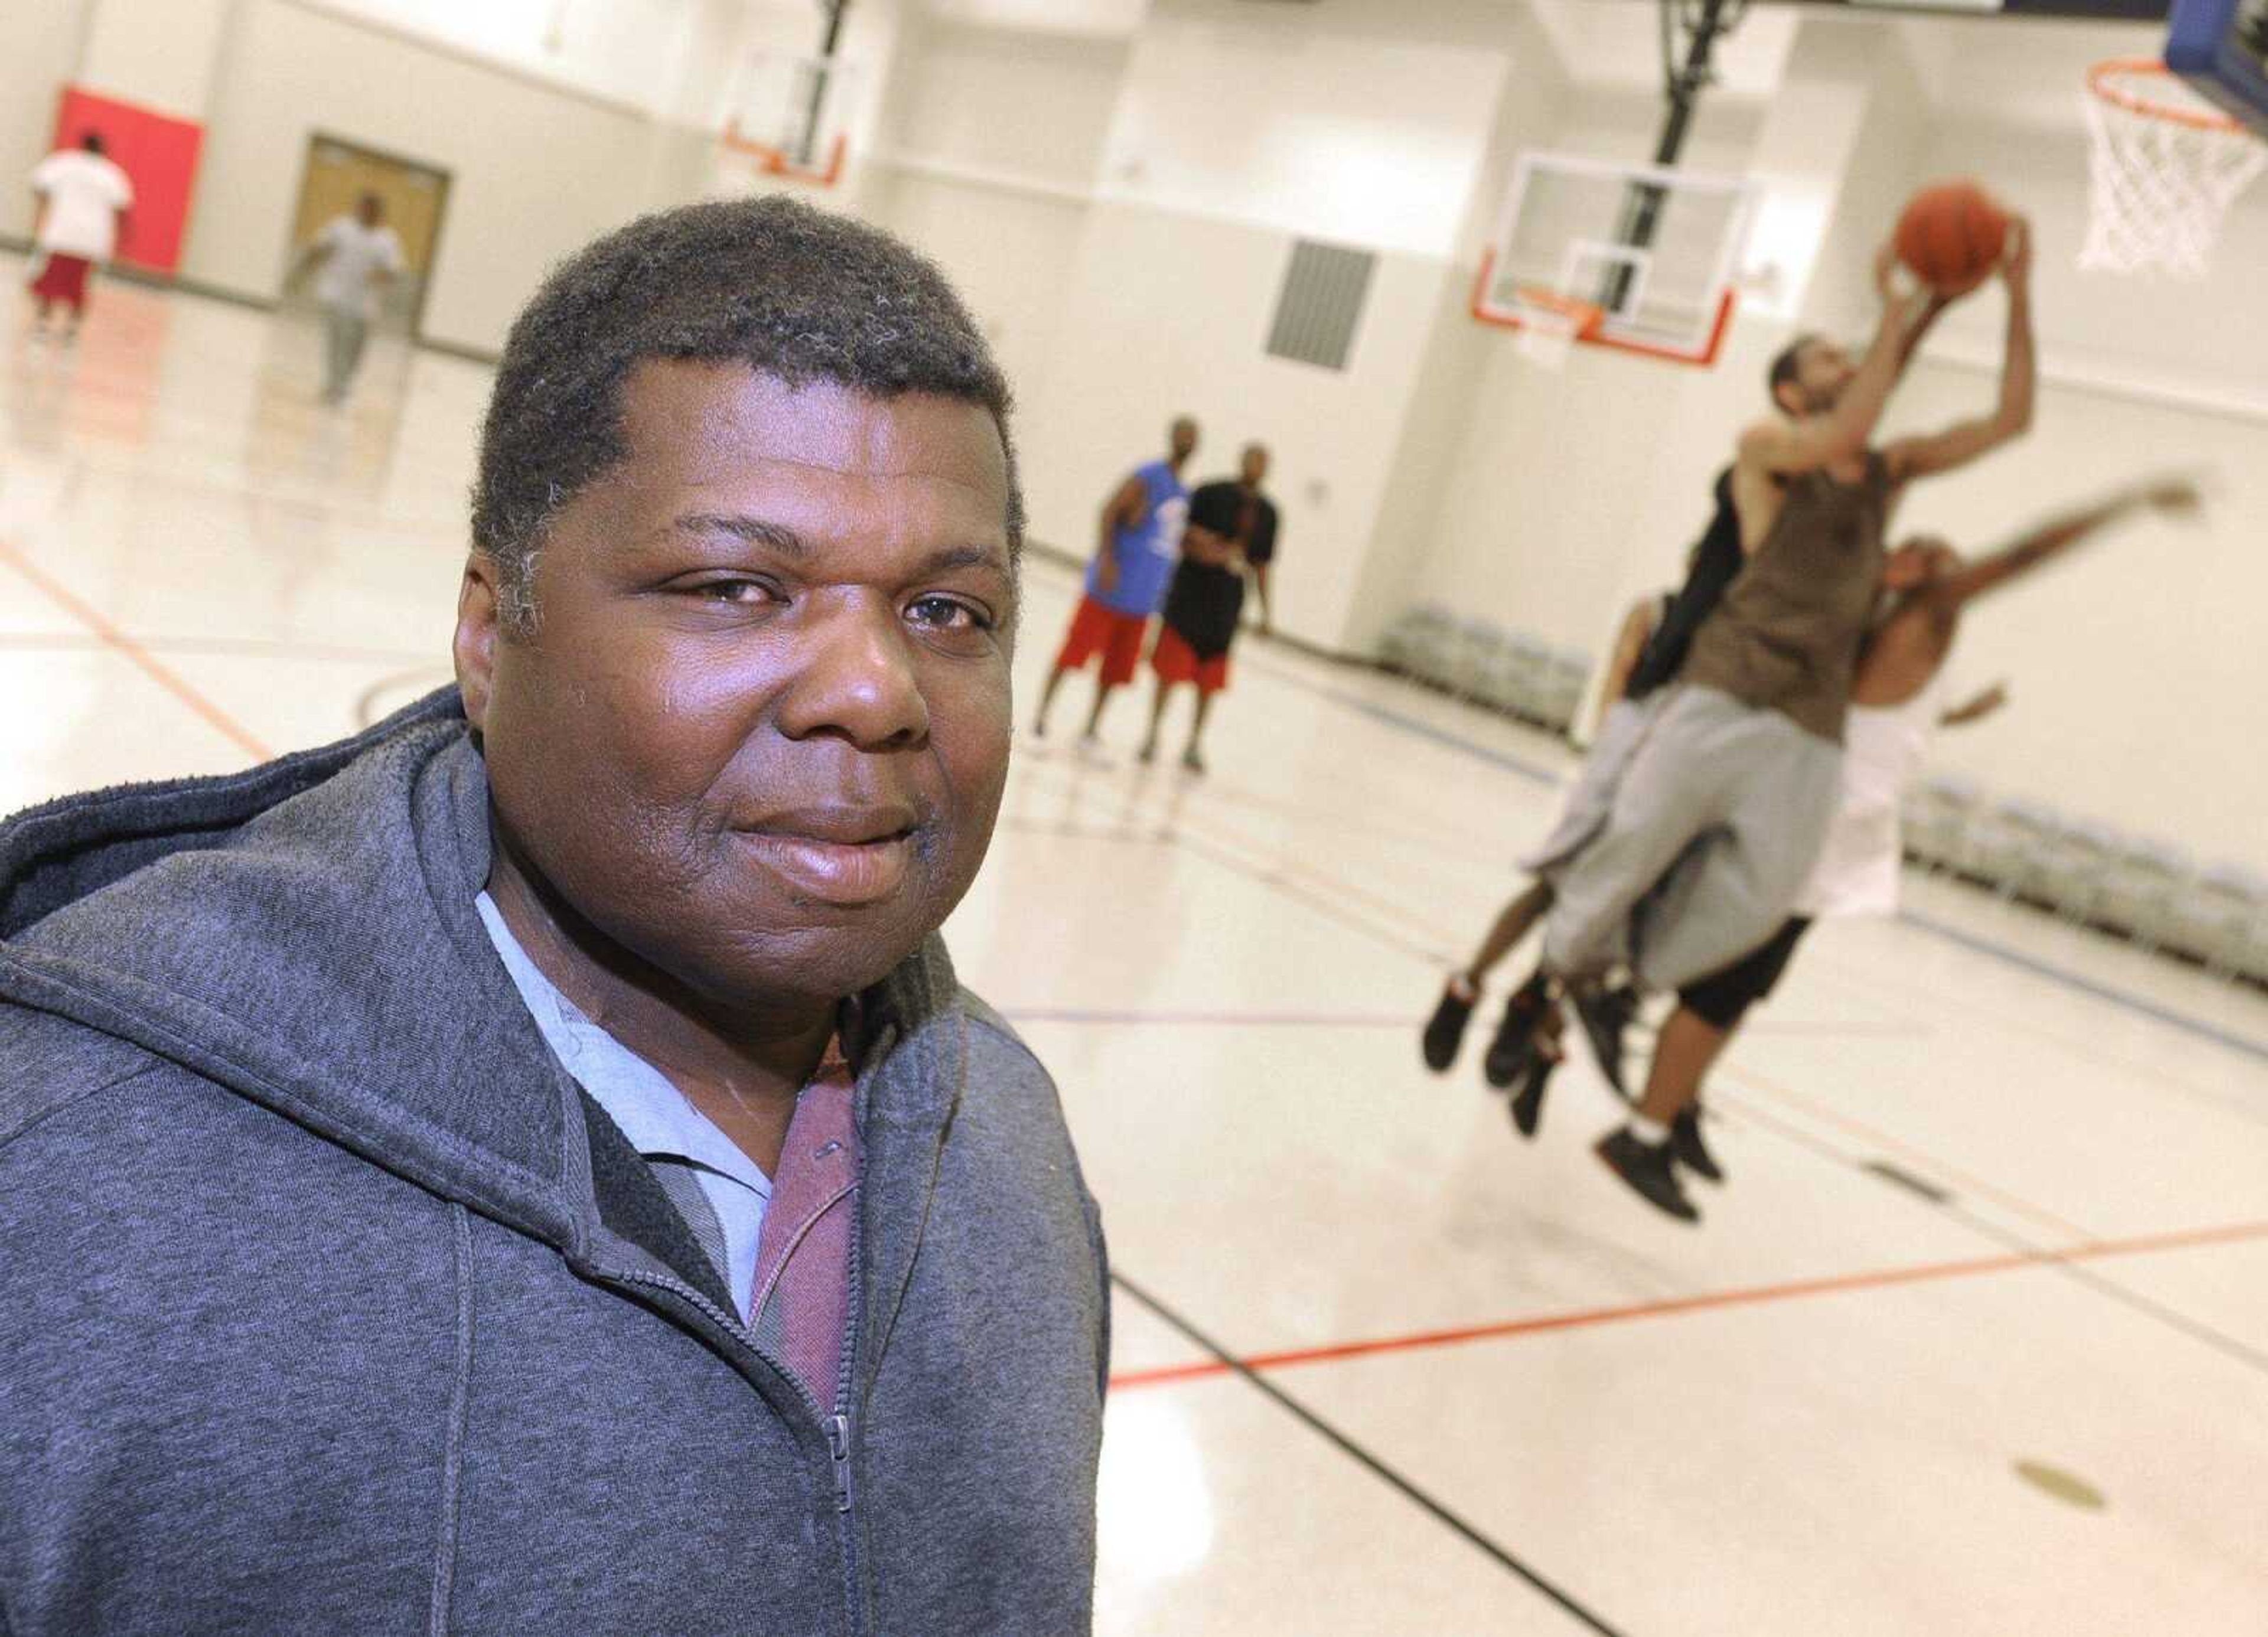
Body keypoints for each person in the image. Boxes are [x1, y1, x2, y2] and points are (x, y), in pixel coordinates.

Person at [0, 197, 1108, 1634]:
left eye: (947, 613)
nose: (875, 690)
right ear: (487, 630)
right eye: (737, 588)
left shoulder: (1009, 1146)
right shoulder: (69, 1184)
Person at [1474, 221, 2038, 1122]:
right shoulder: (1766, 445)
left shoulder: (1886, 471)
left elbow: (2011, 421)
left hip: (1807, 729)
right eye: (1825, 356)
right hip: (1718, 691)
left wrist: (2014, 291)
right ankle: (1523, 996)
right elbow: (1849, 420)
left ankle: (1615, 995)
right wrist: (1905, 304)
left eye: (1850, 352)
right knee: (1607, 868)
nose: (1845, 360)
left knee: (1757, 909)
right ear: (1788, 388)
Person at [1595, 473, 2202, 1221]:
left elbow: (1909, 726)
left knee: (1744, 991)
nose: (1931, 548)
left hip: (1824, 843)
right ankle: (1641, 1127)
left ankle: (1673, 1098)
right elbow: (2023, 554)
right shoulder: (1905, 618)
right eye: (1915, 547)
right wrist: (2127, 500)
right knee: (1719, 993)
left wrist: (1971, 707)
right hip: (1801, 834)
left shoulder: (1895, 639)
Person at [1032, 415, 1197, 747]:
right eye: (1183, 435)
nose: (1187, 441)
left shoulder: (1184, 492)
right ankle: (1041, 714)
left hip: (1142, 598)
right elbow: (1109, 511)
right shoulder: (1148, 476)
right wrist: (1106, 559)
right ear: (1172, 437)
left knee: (1117, 669)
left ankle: (1091, 727)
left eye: (1193, 437)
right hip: (1111, 588)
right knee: (1074, 653)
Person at [1138, 441, 1279, 773]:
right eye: (1251, 460)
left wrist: (1266, 613)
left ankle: (1193, 741)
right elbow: (1183, 535)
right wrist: (1211, 549)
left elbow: (1261, 564)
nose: (1255, 467)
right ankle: (1152, 733)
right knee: (1170, 672)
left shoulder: (1269, 514)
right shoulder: (1210, 493)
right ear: (1241, 461)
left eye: (1262, 462)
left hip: (1226, 605)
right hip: (1191, 596)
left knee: (1209, 679)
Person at [290, 190, 406, 404]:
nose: (366, 212)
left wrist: (379, 275)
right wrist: (299, 273)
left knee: (355, 348)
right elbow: (318, 249)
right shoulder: (342, 228)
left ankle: (344, 381)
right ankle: (336, 386)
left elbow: (394, 271)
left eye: (371, 209)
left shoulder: (387, 240)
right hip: (336, 295)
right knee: (337, 342)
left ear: (379, 213)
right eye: (363, 207)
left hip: (365, 304)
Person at [25, 131, 133, 341]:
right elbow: (122, 209)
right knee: (79, 286)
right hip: (92, 239)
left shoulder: (64, 163)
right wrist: (121, 243)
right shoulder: (111, 174)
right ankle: (71, 329)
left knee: (51, 282)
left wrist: (42, 213)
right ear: (103, 149)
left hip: (62, 232)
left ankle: (43, 324)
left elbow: (39, 185)